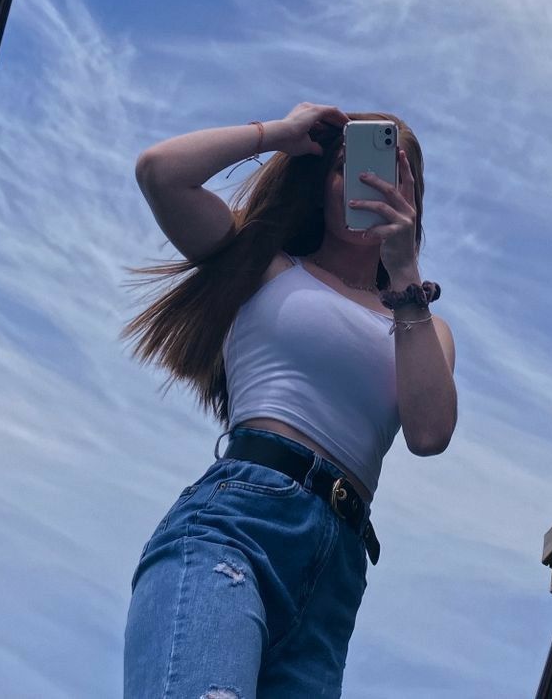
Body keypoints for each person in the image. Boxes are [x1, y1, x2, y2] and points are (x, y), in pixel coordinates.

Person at [120, 102, 457, 699]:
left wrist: (404, 271)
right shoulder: (264, 264)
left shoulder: (420, 322)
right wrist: (277, 133)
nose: (369, 183)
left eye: (392, 173)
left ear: (414, 196)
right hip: (238, 522)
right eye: (347, 167)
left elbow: (429, 434)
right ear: (319, 180)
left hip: (335, 575)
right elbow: (159, 171)